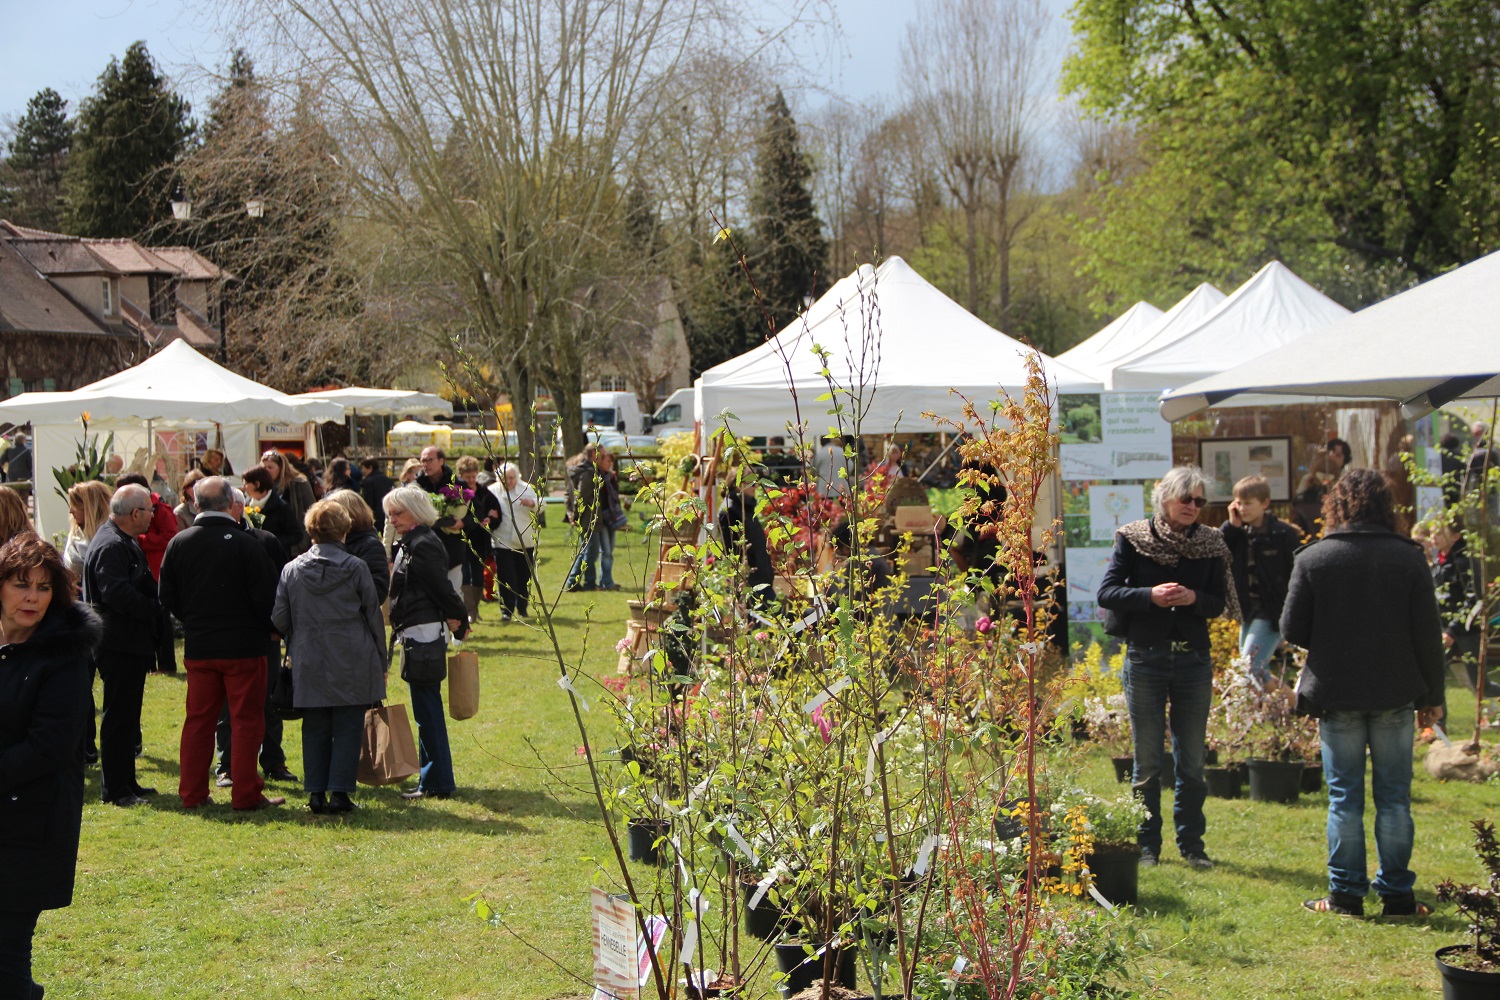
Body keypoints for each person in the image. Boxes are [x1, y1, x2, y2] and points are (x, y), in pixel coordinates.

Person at [1281, 469, 1445, 918]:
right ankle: (1397, 897)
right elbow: (1427, 634)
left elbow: (1292, 628)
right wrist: (1434, 696)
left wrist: (1331, 634)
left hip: (1337, 691)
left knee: (1344, 798)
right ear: (1384, 506)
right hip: (1395, 690)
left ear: (1336, 505)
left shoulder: (1315, 557)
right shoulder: (1408, 557)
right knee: (1394, 798)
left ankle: (1346, 896)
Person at [1097, 465, 1238, 871]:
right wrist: (1149, 595)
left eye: (1200, 501)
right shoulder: (1133, 538)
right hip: (1146, 657)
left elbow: (1219, 603)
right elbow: (1107, 592)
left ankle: (1192, 846)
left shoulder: (1212, 543)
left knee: (1191, 761)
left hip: (1193, 659)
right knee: (1147, 762)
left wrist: (1193, 598)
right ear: (1164, 499)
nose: (1193, 506)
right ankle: (1147, 847)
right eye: (1186, 499)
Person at [0, 533, 98, 1000]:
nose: (32, 598)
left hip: (30, 820)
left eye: (42, 587)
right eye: (21, 584)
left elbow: (50, 746)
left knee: (7, 957)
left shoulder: (64, 654)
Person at [158, 477, 283, 812]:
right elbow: (267, 597)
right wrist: (267, 628)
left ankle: (192, 793)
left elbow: (167, 595)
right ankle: (246, 794)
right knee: (246, 721)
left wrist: (193, 619)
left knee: (198, 721)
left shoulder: (179, 542)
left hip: (201, 646)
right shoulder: (246, 544)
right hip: (244, 647)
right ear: (232, 504)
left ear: (196, 504)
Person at [272, 500, 387, 814]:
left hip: (309, 653)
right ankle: (340, 793)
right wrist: (381, 660)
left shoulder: (292, 569)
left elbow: (279, 617)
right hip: (352, 653)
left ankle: (315, 793)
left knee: (314, 725)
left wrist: (301, 630)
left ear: (311, 530)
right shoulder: (356, 567)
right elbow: (373, 616)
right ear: (345, 530)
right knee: (349, 726)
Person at [384, 486, 467, 800]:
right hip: (417, 631)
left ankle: (436, 781)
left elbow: (441, 588)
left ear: (416, 512)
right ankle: (433, 778)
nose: (393, 519)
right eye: (390, 514)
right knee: (425, 708)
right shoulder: (413, 541)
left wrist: (460, 619)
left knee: (427, 710)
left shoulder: (423, 543)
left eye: (398, 513)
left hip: (424, 633)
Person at [81, 484, 161, 807]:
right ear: (135, 513)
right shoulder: (112, 544)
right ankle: (116, 789)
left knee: (128, 715)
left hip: (127, 640)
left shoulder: (121, 539)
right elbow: (115, 593)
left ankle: (126, 781)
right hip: (118, 642)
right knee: (119, 716)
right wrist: (153, 607)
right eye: (150, 510)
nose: (153, 516)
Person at [214, 488, 295, 788]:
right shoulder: (212, 541)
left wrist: (278, 629)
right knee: (227, 705)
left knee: (270, 700)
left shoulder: (266, 541)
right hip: (227, 637)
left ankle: (273, 761)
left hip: (264, 636)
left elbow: (282, 587)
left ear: (239, 508)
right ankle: (226, 765)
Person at [1222, 475, 1299, 686]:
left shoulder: (1282, 534)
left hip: (1272, 610)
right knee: (1252, 669)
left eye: (1248, 503)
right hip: (1248, 610)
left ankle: (1286, 703)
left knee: (1250, 667)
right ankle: (1290, 703)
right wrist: (1231, 526)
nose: (1242, 509)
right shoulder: (1238, 532)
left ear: (1264, 504)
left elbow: (1296, 572)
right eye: (1239, 503)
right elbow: (1217, 551)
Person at [117, 472, 180, 675]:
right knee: (147, 620)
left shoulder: (160, 509)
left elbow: (170, 538)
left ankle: (167, 664)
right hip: (142, 571)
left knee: (162, 620)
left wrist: (141, 540)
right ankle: (149, 663)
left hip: (157, 571)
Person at [1431, 521, 1500, 698]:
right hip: (1444, 630)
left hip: (1467, 631)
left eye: (1440, 533)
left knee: (1482, 686)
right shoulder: (1438, 564)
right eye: (1432, 533)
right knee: (1433, 679)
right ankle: (1438, 716)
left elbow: (1475, 600)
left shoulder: (1466, 563)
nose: (1434, 537)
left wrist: (1453, 630)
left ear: (1456, 536)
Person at [415, 446, 467, 597]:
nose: (425, 464)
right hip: (424, 546)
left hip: (451, 547)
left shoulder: (457, 484)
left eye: (429, 460)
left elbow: (476, 511)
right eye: (423, 461)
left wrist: (463, 523)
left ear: (441, 461)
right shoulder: (416, 486)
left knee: (453, 592)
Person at [489, 463, 539, 622]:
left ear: (517, 477)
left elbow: (541, 505)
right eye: (505, 478)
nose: (509, 481)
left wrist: (532, 503)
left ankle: (522, 608)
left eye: (511, 478)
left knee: (524, 576)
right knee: (506, 577)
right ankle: (506, 610)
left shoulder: (526, 488)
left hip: (525, 540)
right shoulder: (492, 490)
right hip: (502, 540)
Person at [718, 472, 774, 608]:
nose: (756, 487)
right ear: (738, 484)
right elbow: (731, 550)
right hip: (750, 583)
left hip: (761, 580)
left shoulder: (745, 508)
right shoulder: (730, 510)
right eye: (752, 483)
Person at [455, 456, 501, 619]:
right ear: (460, 476)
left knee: (478, 574)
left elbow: (496, 511)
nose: (471, 480)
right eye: (467, 477)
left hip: (480, 540)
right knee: (464, 575)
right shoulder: (456, 493)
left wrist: (491, 519)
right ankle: (469, 610)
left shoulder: (484, 492)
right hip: (461, 539)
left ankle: (475, 608)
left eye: (473, 476)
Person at [324, 489, 390, 601]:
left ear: (349, 515)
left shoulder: (370, 545)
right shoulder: (329, 542)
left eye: (333, 515)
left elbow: (378, 591)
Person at [1291, 438, 1351, 536]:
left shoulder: (1345, 481)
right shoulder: (1309, 478)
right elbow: (1298, 500)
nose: (1332, 457)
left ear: (1344, 460)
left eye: (1338, 455)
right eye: (1330, 452)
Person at [564, 443, 603, 592]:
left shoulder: (579, 470)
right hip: (588, 518)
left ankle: (588, 582)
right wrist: (575, 515)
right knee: (591, 552)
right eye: (601, 455)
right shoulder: (587, 473)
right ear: (593, 454)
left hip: (585, 517)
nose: (602, 458)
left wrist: (571, 513)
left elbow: (568, 494)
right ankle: (573, 582)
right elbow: (581, 496)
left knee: (586, 550)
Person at [260, 450, 317, 551]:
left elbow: (313, 510)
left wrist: (308, 540)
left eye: (270, 467)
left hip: (297, 542)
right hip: (274, 543)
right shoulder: (263, 487)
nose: (267, 471)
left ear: (281, 468)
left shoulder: (299, 483)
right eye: (264, 468)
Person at [242, 466, 305, 556]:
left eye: (246, 484)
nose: (243, 488)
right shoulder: (246, 505)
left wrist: (272, 543)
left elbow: (296, 535)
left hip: (275, 558)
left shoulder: (281, 506)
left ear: (257, 484)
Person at [62, 480, 112, 579]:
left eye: (75, 506)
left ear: (90, 507)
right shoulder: (75, 535)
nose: (71, 511)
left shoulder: (109, 538)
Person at [593, 449, 623, 592]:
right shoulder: (597, 477)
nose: (610, 463)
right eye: (608, 461)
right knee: (606, 552)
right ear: (601, 461)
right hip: (602, 518)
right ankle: (607, 582)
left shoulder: (611, 477)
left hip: (612, 517)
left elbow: (615, 497)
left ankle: (604, 581)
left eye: (611, 461)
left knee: (610, 550)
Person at [359, 458, 394, 534]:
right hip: (387, 512)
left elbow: (368, 501)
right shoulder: (388, 480)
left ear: (370, 467)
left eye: (363, 468)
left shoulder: (368, 482)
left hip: (375, 515)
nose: (362, 471)